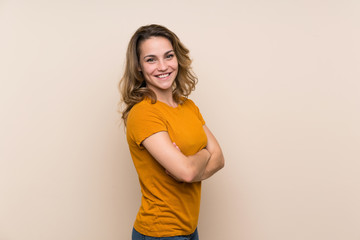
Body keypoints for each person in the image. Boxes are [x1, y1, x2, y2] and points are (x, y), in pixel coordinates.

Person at [119, 24, 224, 240]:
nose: (163, 66)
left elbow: (220, 159)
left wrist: (192, 167)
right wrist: (204, 154)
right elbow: (187, 171)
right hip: (160, 232)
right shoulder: (143, 113)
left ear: (178, 59)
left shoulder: (188, 106)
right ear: (138, 66)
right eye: (151, 60)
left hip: (189, 229)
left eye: (168, 56)